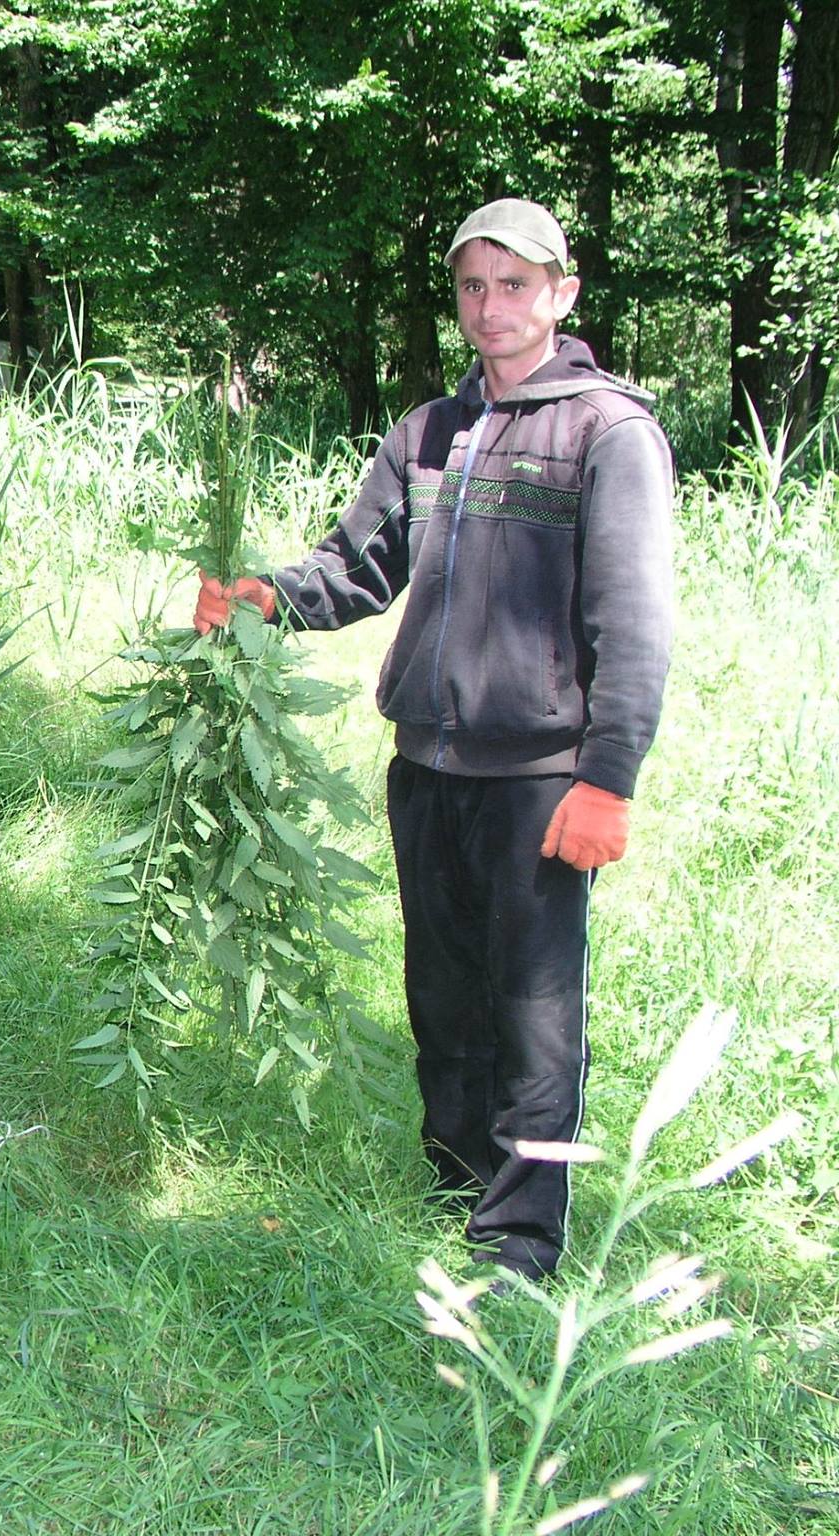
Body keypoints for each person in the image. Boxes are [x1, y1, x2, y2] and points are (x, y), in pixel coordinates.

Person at [195, 198, 674, 1280]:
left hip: (538, 779)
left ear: (561, 293)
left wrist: (606, 780)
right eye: (472, 286)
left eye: (515, 285)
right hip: (425, 768)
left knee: (534, 1014)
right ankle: (455, 1184)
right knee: (444, 996)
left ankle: (520, 1240)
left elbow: (634, 622)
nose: (491, 307)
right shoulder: (428, 432)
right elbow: (357, 564)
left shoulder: (606, 434)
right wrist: (266, 595)